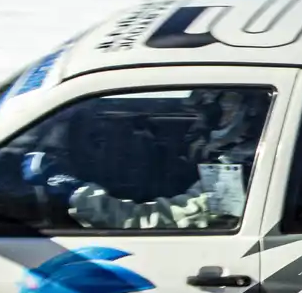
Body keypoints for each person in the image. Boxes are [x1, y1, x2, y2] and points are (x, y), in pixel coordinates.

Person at [25, 90, 265, 231]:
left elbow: (148, 220)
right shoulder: (242, 150)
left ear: (251, 112)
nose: (202, 124)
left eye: (221, 112)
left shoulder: (243, 172)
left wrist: (75, 193)